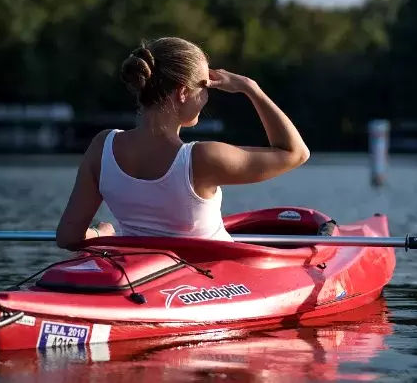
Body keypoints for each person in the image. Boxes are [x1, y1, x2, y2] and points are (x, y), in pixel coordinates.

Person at [56, 37, 310, 248]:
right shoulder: (202, 158)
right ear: (183, 92)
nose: (207, 96)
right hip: (210, 283)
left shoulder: (102, 147)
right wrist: (250, 88)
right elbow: (296, 152)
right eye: (205, 86)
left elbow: (68, 237)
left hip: (142, 276)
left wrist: (103, 235)